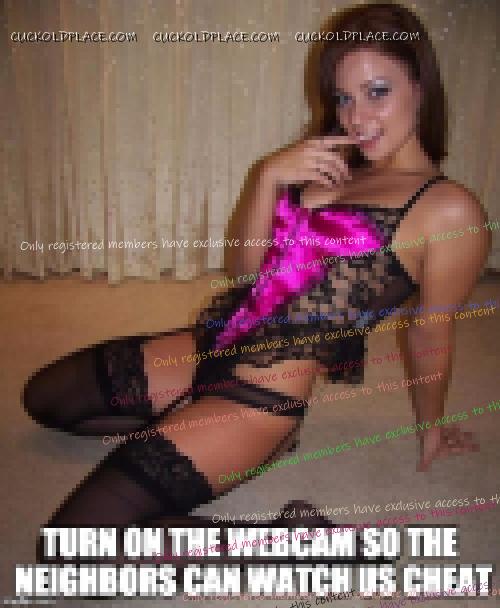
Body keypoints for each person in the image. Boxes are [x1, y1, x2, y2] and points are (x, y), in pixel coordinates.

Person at [23, 2, 490, 551]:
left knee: (69, 548)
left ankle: (293, 541)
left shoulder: (448, 209)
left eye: (377, 92)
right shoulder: (334, 161)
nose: (357, 117)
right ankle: (190, 426)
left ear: (421, 86)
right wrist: (266, 177)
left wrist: (430, 430)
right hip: (212, 345)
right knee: (47, 398)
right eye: (343, 97)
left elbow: (430, 333)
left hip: (258, 398)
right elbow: (245, 275)